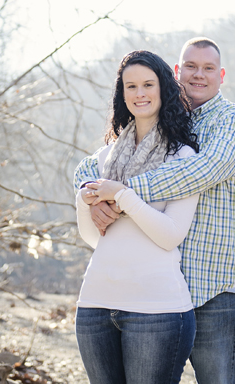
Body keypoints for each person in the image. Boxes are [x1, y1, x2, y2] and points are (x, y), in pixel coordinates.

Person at [75, 38, 235, 384]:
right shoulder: (156, 121)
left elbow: (201, 172)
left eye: (207, 68)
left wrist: (120, 194)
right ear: (176, 72)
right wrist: (89, 193)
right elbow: (89, 166)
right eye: (190, 66)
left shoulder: (232, 121)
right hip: (156, 288)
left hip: (212, 287)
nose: (198, 75)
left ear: (221, 75)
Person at [74, 49, 200, 384]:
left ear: (164, 89)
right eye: (131, 87)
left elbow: (170, 235)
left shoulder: (182, 157)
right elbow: (93, 238)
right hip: (95, 305)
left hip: (157, 310)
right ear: (122, 94)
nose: (140, 93)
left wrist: (121, 195)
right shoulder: (105, 157)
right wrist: (84, 200)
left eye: (148, 84)